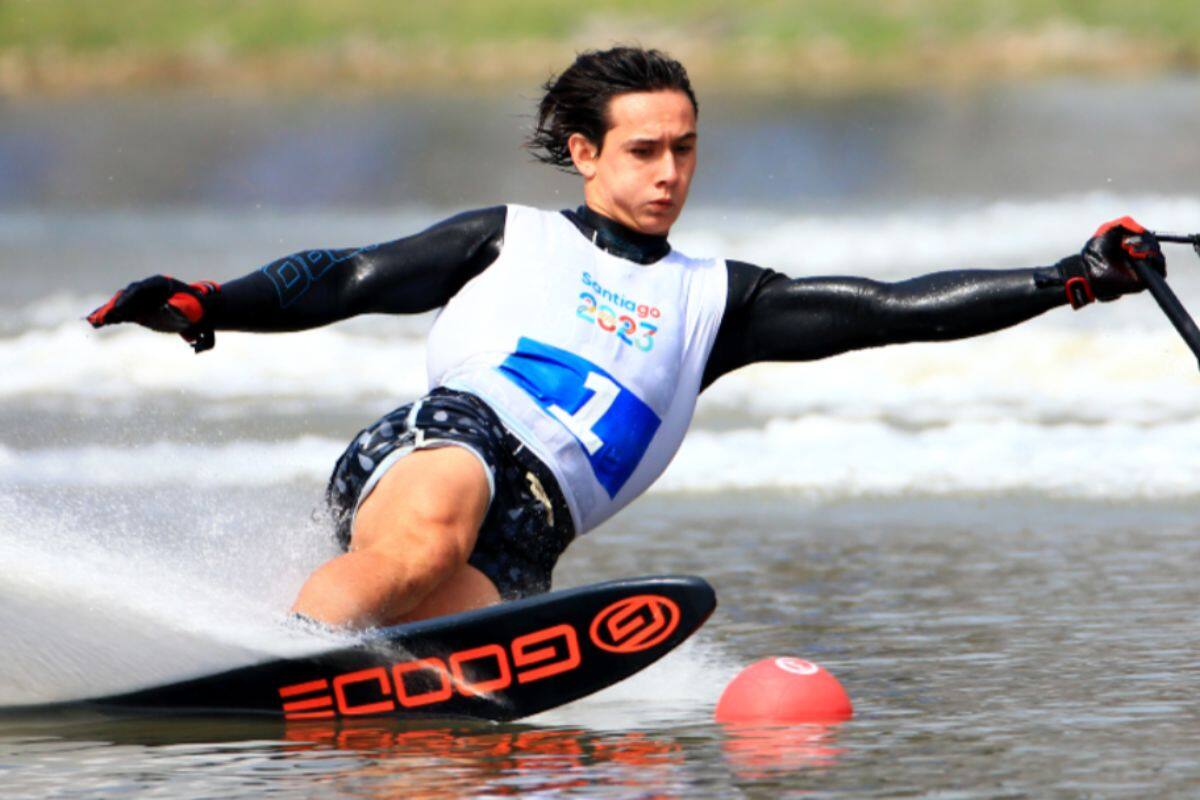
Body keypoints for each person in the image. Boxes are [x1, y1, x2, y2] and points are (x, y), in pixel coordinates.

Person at [87, 46, 1166, 631]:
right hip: (452, 444)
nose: (669, 175)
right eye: (645, 150)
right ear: (583, 151)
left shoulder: (717, 302)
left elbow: (888, 307)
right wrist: (208, 302)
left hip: (531, 535)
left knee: (445, 714)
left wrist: (1065, 277)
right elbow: (351, 279)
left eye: (685, 150)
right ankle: (268, 671)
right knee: (421, 552)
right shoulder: (507, 237)